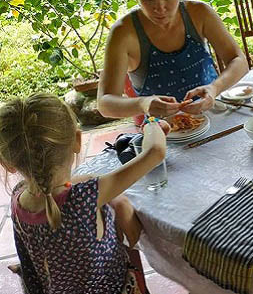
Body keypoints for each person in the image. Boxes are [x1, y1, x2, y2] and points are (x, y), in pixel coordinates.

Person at [0, 93, 171, 293]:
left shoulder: (18, 198)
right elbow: (156, 150)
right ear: (77, 140)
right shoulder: (86, 196)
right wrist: (152, 120)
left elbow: (29, 265)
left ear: (8, 164)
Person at [98, 0, 248, 121]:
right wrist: (143, 104)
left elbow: (239, 61)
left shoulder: (199, 13)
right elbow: (105, 103)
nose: (159, 8)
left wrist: (214, 88)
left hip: (213, 114)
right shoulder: (124, 33)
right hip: (162, 132)